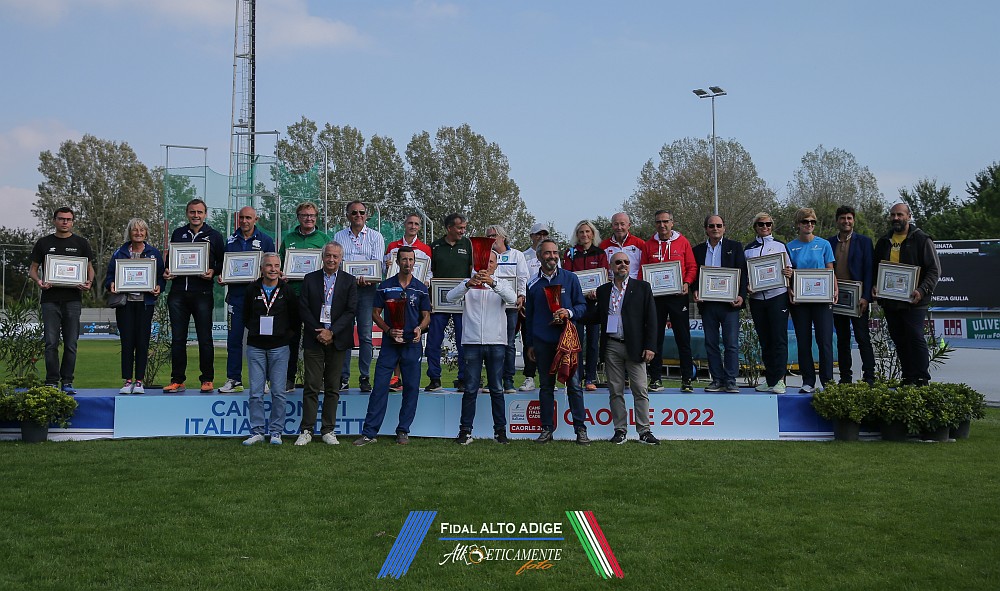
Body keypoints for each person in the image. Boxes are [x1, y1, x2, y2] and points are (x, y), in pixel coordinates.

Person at [354, 247, 431, 446]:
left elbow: (426, 316)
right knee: (380, 387)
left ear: (415, 262)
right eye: (404, 259)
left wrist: (419, 328)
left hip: (411, 345)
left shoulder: (420, 288)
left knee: (411, 388)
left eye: (411, 260)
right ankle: (369, 433)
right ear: (397, 262)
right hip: (390, 345)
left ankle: (403, 430)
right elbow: (375, 313)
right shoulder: (385, 286)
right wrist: (388, 330)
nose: (408, 263)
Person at [524, 238, 590, 445]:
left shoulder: (570, 278)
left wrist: (568, 312)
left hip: (567, 341)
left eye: (555, 252)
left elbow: (582, 306)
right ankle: (546, 429)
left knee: (574, 385)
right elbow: (529, 317)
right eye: (547, 253)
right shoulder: (532, 283)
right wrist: (530, 344)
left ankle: (580, 429)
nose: (552, 256)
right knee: (546, 386)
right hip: (543, 342)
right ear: (539, 256)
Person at [588, 252, 660, 445]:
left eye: (626, 262)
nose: (623, 265)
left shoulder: (642, 287)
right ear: (611, 266)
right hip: (612, 345)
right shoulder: (603, 291)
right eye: (618, 262)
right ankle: (620, 431)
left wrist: (650, 346)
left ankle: (644, 431)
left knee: (640, 389)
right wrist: (574, 311)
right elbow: (594, 317)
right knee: (615, 390)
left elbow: (652, 319)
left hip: (635, 346)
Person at [448, 250, 517, 445]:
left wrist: (493, 283)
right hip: (472, 342)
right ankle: (465, 431)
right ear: (476, 264)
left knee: (497, 388)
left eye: (491, 262)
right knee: (470, 389)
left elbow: (512, 299)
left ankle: (500, 432)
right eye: (484, 262)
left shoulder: (501, 283)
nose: (488, 265)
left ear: (496, 266)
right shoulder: (468, 282)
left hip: (496, 342)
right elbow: (450, 297)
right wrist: (468, 284)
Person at [294, 241, 358, 445]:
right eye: (328, 255)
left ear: (341, 259)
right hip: (314, 339)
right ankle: (306, 430)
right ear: (322, 257)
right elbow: (303, 308)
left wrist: (332, 332)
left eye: (335, 256)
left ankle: (328, 430)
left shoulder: (349, 281)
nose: (331, 259)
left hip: (337, 340)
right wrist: (319, 331)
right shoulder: (310, 278)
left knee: (332, 387)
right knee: (311, 386)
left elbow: (351, 311)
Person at [29, 206, 95, 394]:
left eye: (68, 219)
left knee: (71, 343)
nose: (65, 222)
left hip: (73, 299)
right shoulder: (44, 243)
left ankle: (67, 382)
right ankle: (51, 381)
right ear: (54, 220)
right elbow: (32, 270)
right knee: (50, 343)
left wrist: (89, 282)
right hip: (50, 299)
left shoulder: (81, 243)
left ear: (72, 221)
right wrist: (39, 281)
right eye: (61, 218)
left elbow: (89, 269)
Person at [874, 203, 941, 386]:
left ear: (909, 216)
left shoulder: (922, 239)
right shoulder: (883, 241)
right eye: (893, 215)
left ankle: (922, 378)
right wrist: (875, 285)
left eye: (900, 214)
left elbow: (934, 270)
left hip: (914, 300)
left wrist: (922, 290)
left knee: (915, 336)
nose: (896, 218)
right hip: (890, 300)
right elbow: (876, 269)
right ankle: (908, 377)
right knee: (899, 339)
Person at [163, 199, 225, 394]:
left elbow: (223, 262)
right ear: (187, 213)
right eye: (192, 212)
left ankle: (207, 379)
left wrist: (213, 271)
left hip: (202, 293)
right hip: (178, 293)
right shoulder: (178, 233)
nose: (196, 215)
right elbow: (170, 260)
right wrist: (168, 271)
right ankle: (177, 380)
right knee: (178, 339)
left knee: (205, 338)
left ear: (205, 214)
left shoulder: (214, 236)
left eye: (199, 212)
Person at [104, 218, 166, 395]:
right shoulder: (120, 253)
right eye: (135, 230)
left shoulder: (154, 253)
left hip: (145, 304)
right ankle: (127, 381)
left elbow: (161, 277)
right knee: (127, 342)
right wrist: (111, 284)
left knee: (142, 342)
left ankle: (139, 381)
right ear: (129, 232)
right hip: (125, 304)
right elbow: (109, 276)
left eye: (141, 230)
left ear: (146, 233)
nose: (138, 233)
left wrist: (159, 287)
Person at [241, 253, 297, 446]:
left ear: (280, 268)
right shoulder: (252, 289)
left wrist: (284, 335)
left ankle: (276, 432)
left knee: (278, 392)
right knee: (256, 393)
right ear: (261, 268)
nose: (273, 269)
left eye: (276, 266)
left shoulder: (287, 290)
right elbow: (245, 315)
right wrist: (256, 330)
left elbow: (295, 319)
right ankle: (257, 432)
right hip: (256, 346)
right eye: (269, 265)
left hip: (279, 348)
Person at [639, 210, 696, 392]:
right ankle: (656, 379)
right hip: (656, 299)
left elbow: (692, 267)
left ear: (672, 222)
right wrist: (644, 293)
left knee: (683, 338)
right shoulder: (648, 245)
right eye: (658, 222)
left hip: (678, 297)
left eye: (665, 221)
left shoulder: (683, 242)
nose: (662, 225)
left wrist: (687, 282)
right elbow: (642, 271)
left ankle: (687, 379)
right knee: (655, 339)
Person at [219, 206, 274, 393]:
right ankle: (234, 379)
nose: (244, 221)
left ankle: (263, 380)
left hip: (260, 299)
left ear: (255, 219)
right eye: (241, 217)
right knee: (234, 340)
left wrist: (261, 275)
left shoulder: (266, 240)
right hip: (236, 299)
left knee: (261, 340)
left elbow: (273, 268)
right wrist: (222, 276)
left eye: (248, 218)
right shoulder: (230, 240)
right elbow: (224, 267)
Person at [333, 200, 385, 393]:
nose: (358, 215)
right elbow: (337, 263)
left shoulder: (375, 236)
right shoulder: (339, 236)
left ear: (366, 215)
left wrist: (367, 277)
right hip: (345, 290)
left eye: (361, 212)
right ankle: (343, 377)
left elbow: (377, 264)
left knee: (365, 335)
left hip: (367, 290)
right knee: (344, 333)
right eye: (354, 212)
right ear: (348, 215)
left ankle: (364, 376)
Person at [692, 215, 748, 393]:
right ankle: (717, 379)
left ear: (724, 228)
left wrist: (741, 295)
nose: (715, 228)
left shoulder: (735, 247)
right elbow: (694, 274)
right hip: (708, 304)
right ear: (706, 229)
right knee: (711, 343)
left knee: (731, 343)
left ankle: (730, 380)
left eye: (719, 225)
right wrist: (695, 290)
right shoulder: (698, 250)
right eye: (711, 226)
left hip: (730, 304)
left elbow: (743, 273)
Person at [278, 202, 331, 392]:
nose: (309, 218)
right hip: (292, 295)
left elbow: (331, 265)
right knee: (290, 339)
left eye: (312, 215)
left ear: (316, 217)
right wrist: (283, 273)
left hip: (317, 297)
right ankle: (289, 379)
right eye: (304, 215)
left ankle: (318, 380)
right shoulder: (289, 238)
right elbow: (280, 265)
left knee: (317, 337)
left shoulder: (324, 239)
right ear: (298, 217)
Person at [784, 207, 836, 393]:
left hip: (822, 300)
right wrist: (789, 289)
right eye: (805, 221)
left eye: (812, 222)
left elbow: (830, 270)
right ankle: (808, 381)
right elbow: (788, 273)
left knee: (825, 341)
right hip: (800, 302)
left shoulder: (824, 244)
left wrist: (835, 288)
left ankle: (828, 382)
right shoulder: (790, 247)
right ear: (798, 224)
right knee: (803, 341)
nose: (809, 225)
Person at [827, 205, 876, 385]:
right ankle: (845, 377)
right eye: (842, 218)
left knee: (863, 338)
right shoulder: (829, 243)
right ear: (837, 221)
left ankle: (869, 377)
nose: (846, 221)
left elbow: (869, 271)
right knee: (842, 339)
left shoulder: (864, 242)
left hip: (858, 299)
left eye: (849, 218)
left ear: (853, 220)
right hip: (837, 298)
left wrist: (866, 297)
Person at [384, 213, 432, 392]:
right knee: (396, 333)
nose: (413, 226)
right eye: (410, 223)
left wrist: (425, 282)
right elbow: (385, 271)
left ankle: (409, 379)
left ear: (419, 227)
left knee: (413, 335)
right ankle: (396, 378)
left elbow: (429, 273)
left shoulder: (425, 249)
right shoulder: (392, 246)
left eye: (416, 224)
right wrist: (387, 266)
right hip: (395, 297)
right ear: (404, 224)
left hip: (415, 297)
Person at [425, 213, 473, 392]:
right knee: (434, 341)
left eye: (464, 228)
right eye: (460, 228)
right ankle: (434, 378)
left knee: (464, 341)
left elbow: (472, 270)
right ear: (449, 228)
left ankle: (463, 379)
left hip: (462, 300)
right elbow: (429, 272)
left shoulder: (468, 244)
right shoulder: (435, 246)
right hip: (439, 301)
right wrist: (429, 297)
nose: (463, 231)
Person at [744, 212, 791, 394]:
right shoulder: (748, 249)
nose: (765, 227)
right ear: (755, 227)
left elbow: (789, 269)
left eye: (768, 224)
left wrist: (789, 273)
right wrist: (748, 285)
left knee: (778, 339)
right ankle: (770, 379)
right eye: (761, 224)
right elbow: (745, 275)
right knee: (765, 340)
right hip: (757, 299)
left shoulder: (780, 245)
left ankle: (780, 380)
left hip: (778, 296)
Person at [562, 220, 607, 391]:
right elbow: (567, 276)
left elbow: (604, 276)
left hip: (594, 303)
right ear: (577, 234)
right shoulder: (570, 253)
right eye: (581, 232)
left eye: (588, 231)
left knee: (594, 342)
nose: (584, 235)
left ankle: (590, 377)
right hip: (577, 303)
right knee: (577, 341)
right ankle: (577, 377)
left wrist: (597, 291)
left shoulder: (600, 253)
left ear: (593, 234)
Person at [486, 224, 529, 394]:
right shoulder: (486, 256)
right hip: (490, 305)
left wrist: (521, 295)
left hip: (510, 306)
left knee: (509, 343)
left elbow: (523, 277)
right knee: (490, 343)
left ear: (503, 237)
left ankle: (508, 381)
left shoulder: (517, 255)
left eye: (493, 235)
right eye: (488, 236)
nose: (491, 239)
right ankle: (492, 381)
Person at [518, 222, 551, 392]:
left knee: (549, 341)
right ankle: (529, 377)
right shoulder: (523, 256)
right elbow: (521, 280)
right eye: (538, 234)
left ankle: (549, 377)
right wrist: (523, 300)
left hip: (548, 306)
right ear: (532, 236)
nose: (542, 237)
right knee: (528, 340)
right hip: (530, 305)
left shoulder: (553, 255)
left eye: (545, 234)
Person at [600, 212, 645, 279]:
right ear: (612, 226)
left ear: (629, 225)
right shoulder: (603, 246)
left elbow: (644, 267)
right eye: (616, 224)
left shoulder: (640, 244)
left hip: (635, 282)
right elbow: (602, 270)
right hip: (613, 283)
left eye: (622, 224)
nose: (619, 227)